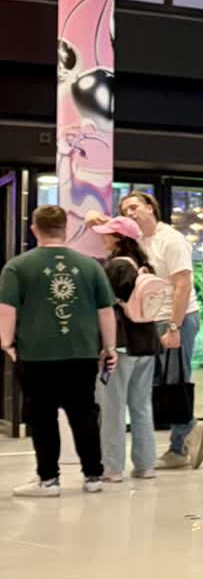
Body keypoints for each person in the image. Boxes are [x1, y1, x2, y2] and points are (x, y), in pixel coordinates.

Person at [0, 203, 117, 498]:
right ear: (65, 229)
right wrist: (109, 347)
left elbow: (7, 310)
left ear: (34, 229)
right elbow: (106, 311)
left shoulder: (17, 267)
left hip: (35, 355)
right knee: (84, 413)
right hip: (82, 353)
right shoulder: (91, 266)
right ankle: (93, 475)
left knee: (42, 416)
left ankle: (49, 479)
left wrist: (6, 343)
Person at [118, 191, 203, 470]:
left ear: (150, 207)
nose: (130, 213)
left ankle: (180, 446)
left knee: (175, 380)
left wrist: (174, 327)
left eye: (134, 207)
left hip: (177, 318)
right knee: (159, 382)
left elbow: (183, 285)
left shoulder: (171, 240)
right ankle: (186, 431)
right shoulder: (139, 240)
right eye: (125, 210)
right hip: (153, 319)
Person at [92, 217, 162, 481]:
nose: (103, 238)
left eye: (108, 234)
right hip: (146, 343)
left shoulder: (115, 266)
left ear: (119, 238)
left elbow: (104, 307)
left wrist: (105, 345)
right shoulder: (145, 266)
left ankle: (112, 467)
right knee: (141, 406)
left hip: (120, 345)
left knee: (113, 406)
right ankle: (146, 465)